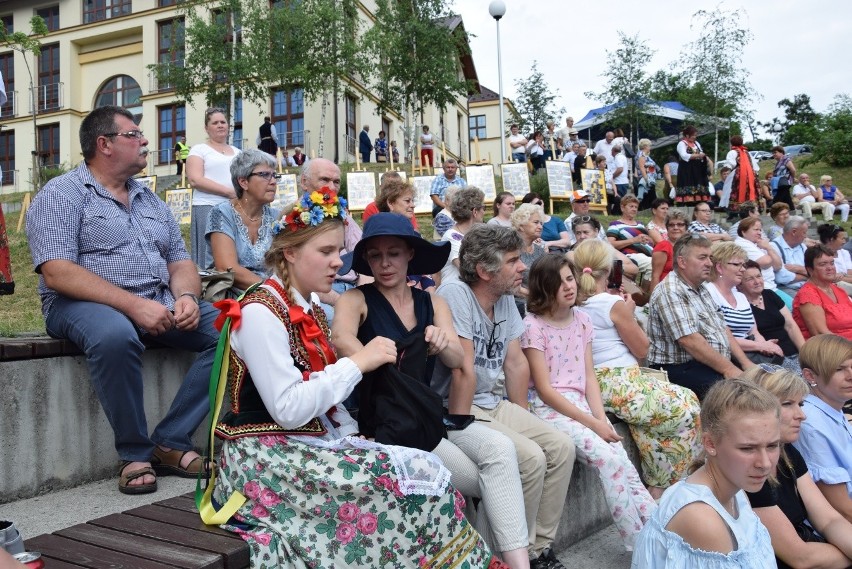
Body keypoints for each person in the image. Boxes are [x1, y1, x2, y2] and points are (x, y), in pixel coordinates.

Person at [208, 195, 501, 568]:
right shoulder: (260, 312)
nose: (338, 262)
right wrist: (358, 363)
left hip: (301, 442)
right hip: (262, 457)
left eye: (339, 250)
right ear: (292, 253)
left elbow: (324, 402)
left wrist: (348, 434)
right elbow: (288, 407)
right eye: (327, 250)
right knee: (417, 475)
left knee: (421, 471)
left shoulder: (305, 306)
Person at [26, 105, 219, 494]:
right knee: (115, 335)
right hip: (79, 304)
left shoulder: (150, 200)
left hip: (158, 300)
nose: (145, 140)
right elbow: (57, 271)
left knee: (237, 329)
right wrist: (132, 305)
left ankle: (171, 440)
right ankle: (134, 454)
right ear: (105, 144)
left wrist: (185, 296)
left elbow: (180, 261)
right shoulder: (62, 194)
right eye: (134, 134)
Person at [331, 213, 531, 569]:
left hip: (428, 419)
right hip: (387, 426)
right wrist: (368, 353)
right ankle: (499, 562)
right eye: (375, 256)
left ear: (410, 254)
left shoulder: (433, 302)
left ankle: (499, 562)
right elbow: (340, 339)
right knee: (491, 479)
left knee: (501, 453)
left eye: (393, 252)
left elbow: (457, 358)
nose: (385, 262)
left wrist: (442, 342)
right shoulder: (356, 300)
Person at [432, 224, 575, 568]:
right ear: (484, 271)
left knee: (560, 448)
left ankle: (537, 549)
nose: (523, 266)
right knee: (528, 457)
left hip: (492, 403)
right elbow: (461, 370)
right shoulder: (456, 294)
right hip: (455, 407)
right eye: (513, 261)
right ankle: (502, 556)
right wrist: (461, 428)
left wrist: (522, 419)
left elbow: (514, 363)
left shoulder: (505, 297)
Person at [523, 253, 656, 549]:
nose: (567, 287)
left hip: (583, 403)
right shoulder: (533, 325)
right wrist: (594, 424)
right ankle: (638, 544)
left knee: (623, 460)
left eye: (569, 278)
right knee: (609, 460)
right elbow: (545, 390)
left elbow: (589, 377)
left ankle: (658, 532)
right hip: (551, 408)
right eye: (557, 283)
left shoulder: (582, 319)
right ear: (544, 288)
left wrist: (601, 419)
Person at [574, 239, 701, 500]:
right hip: (617, 379)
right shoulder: (612, 304)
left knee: (659, 416)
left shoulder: (578, 300)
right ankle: (669, 486)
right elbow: (643, 349)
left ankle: (659, 485)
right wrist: (629, 312)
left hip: (606, 382)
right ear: (609, 269)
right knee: (688, 405)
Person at [631, 379, 780, 568]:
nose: (765, 463)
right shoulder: (701, 518)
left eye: (773, 445)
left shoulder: (736, 490)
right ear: (710, 443)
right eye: (747, 448)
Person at [742, 364, 852, 569]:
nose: (802, 415)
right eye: (787, 404)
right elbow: (800, 557)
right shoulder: (748, 467)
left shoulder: (786, 451)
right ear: (755, 407)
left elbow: (829, 520)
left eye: (800, 403)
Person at [647, 234, 753, 399]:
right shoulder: (670, 290)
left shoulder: (701, 288)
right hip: (678, 369)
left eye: (710, 258)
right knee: (741, 395)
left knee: (764, 379)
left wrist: (746, 363)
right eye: (703, 258)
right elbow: (690, 341)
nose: (709, 263)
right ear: (682, 262)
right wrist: (730, 369)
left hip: (707, 364)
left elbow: (722, 327)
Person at [794, 335, 852, 525]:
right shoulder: (810, 424)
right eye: (839, 369)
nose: (850, 375)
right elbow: (843, 510)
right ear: (810, 376)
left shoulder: (830, 406)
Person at [205, 149, 279, 295]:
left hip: (272, 294)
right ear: (243, 182)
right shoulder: (222, 213)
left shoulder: (276, 217)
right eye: (265, 175)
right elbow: (227, 268)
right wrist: (273, 291)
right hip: (231, 295)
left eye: (274, 175)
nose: (273, 181)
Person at [706, 242, 785, 365]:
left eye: (742, 265)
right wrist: (760, 346)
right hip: (729, 359)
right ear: (719, 267)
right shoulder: (709, 293)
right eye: (737, 264)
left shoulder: (740, 297)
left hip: (752, 355)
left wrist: (766, 346)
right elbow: (721, 338)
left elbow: (754, 332)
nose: (743, 269)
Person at [186, 107, 241, 267]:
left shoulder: (238, 152)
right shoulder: (199, 150)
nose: (220, 125)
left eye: (223, 122)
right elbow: (195, 179)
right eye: (215, 122)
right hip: (207, 206)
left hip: (233, 208)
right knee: (208, 255)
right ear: (206, 128)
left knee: (232, 253)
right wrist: (229, 192)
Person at [737, 260, 806, 374]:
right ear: (739, 284)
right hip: (773, 358)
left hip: (794, 351)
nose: (757, 282)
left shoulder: (769, 294)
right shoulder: (740, 304)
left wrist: (804, 352)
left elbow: (790, 325)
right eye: (750, 279)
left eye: (759, 276)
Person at [793, 244, 852, 340]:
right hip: (831, 349)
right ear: (810, 270)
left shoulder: (839, 290)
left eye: (832, 263)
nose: (830, 268)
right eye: (823, 264)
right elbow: (820, 333)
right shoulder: (807, 294)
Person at [734, 216, 789, 307]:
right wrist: (768, 248)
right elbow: (766, 262)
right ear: (743, 232)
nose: (759, 233)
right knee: (794, 308)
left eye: (760, 230)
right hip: (762, 288)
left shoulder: (758, 244)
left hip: (771, 286)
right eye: (756, 230)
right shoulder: (742, 244)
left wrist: (769, 248)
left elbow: (778, 266)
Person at [441, 187, 486, 285]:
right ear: (475, 211)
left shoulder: (475, 234)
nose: (484, 212)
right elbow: (465, 269)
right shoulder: (451, 237)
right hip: (455, 292)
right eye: (483, 208)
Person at [606, 195, 653, 284]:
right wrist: (634, 240)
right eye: (631, 206)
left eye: (636, 207)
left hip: (649, 254)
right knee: (653, 264)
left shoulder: (640, 224)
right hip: (630, 256)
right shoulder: (615, 224)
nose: (634, 209)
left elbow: (650, 241)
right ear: (622, 208)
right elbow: (610, 244)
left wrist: (649, 240)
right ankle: (644, 295)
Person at [511, 203, 546, 316]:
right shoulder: (510, 250)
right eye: (536, 222)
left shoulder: (540, 251)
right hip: (517, 304)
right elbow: (511, 285)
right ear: (521, 225)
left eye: (541, 223)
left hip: (539, 302)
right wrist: (536, 296)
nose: (540, 226)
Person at [771, 215, 811, 298]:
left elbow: (814, 271)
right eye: (804, 232)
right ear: (794, 232)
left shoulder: (802, 246)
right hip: (785, 289)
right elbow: (781, 277)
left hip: (806, 286)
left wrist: (798, 269)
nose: (805, 236)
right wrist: (805, 276)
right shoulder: (773, 247)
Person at [718, 135, 759, 214]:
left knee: (732, 190)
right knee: (749, 191)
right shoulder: (747, 153)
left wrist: (725, 168)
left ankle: (735, 210)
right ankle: (749, 209)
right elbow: (755, 166)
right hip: (750, 176)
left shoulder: (732, 152)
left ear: (732, 143)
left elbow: (731, 164)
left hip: (738, 176)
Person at [649, 211, 688, 290]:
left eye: (680, 224)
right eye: (671, 225)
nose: (675, 228)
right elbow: (655, 276)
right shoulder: (664, 246)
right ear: (667, 228)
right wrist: (654, 299)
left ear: (686, 227)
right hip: (667, 290)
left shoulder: (691, 247)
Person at [674, 126, 712, 206]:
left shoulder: (696, 143)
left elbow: (701, 152)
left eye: (695, 135)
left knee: (699, 187)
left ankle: (699, 204)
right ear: (687, 135)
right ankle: (688, 204)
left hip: (697, 169)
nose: (695, 137)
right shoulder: (681, 144)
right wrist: (698, 155)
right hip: (687, 169)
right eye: (693, 135)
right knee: (688, 186)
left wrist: (703, 157)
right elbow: (684, 156)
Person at [818, 223, 852, 296]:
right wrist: (837, 277)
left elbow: (850, 273)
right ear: (831, 239)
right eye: (842, 239)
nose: (844, 242)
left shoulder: (844, 252)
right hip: (830, 289)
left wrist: (841, 275)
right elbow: (828, 278)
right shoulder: (819, 255)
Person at [772, 145, 798, 210]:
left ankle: (771, 212)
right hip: (780, 184)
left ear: (781, 152)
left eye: (775, 152)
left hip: (784, 183)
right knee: (788, 199)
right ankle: (792, 211)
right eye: (773, 153)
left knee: (777, 200)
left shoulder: (786, 159)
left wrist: (792, 178)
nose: (774, 154)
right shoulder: (778, 162)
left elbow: (793, 170)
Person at [636, 139, 659, 210]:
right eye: (649, 146)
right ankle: (648, 210)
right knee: (650, 196)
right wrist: (646, 179)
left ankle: (649, 209)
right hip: (647, 179)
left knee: (650, 196)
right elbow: (642, 168)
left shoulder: (645, 156)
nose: (650, 148)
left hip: (650, 178)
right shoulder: (642, 156)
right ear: (645, 146)